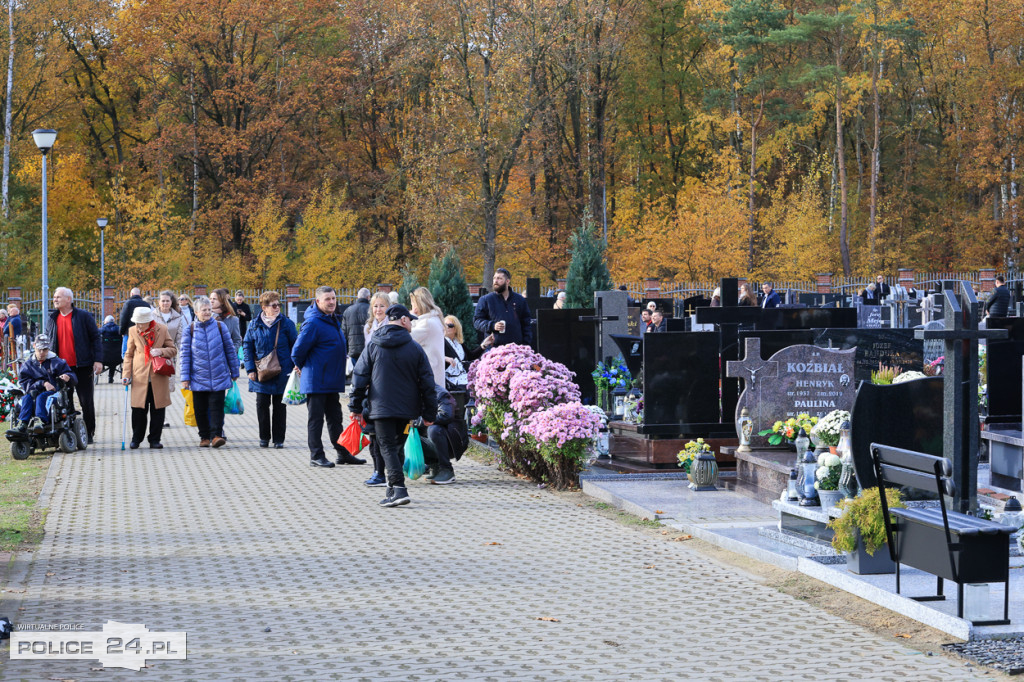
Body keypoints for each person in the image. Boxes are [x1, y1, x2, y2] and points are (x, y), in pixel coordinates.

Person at [349, 304, 438, 507]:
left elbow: (359, 376)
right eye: (410, 322)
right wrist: (429, 412)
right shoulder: (415, 348)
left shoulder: (373, 345)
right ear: (404, 321)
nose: (411, 326)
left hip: (380, 408)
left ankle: (398, 489)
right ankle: (393, 488)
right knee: (396, 447)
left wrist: (355, 406)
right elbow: (427, 382)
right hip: (407, 410)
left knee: (387, 447)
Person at [292, 285, 362, 467]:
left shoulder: (332, 319)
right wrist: (304, 367)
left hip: (331, 380)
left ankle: (343, 453)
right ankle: (316, 455)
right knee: (316, 419)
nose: (331, 302)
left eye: (333, 298)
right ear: (318, 302)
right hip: (316, 380)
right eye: (327, 299)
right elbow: (297, 351)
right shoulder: (313, 323)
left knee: (335, 418)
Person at [44, 287, 101, 443]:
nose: (55, 299)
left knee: (86, 401)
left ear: (68, 299)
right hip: (62, 368)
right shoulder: (52, 318)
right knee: (64, 401)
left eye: (58, 297)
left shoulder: (83, 316)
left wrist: (98, 360)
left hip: (82, 366)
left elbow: (96, 338)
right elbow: (48, 341)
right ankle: (69, 433)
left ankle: (88, 433)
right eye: (54, 297)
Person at [180, 296, 237, 448]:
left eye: (209, 310)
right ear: (196, 312)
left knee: (217, 407)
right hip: (198, 377)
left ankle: (216, 435)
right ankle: (204, 436)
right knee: (200, 409)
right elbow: (185, 355)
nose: (207, 312)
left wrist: (235, 370)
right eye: (203, 310)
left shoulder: (220, 326)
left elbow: (230, 349)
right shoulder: (190, 329)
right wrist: (185, 377)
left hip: (219, 375)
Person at [243, 291, 298, 448]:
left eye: (278, 305)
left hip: (282, 370)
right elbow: (247, 346)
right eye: (273, 305)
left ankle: (279, 440)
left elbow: (295, 345)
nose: (276, 308)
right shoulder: (254, 324)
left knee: (280, 406)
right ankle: (264, 437)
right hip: (261, 371)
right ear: (264, 307)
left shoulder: (286, 323)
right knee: (262, 404)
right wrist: (250, 369)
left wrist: (296, 364)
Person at [123, 307, 176, 449]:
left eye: (141, 322)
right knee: (138, 410)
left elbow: (173, 349)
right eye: (137, 322)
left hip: (158, 375)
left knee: (158, 410)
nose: (139, 325)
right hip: (140, 375)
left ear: (149, 321)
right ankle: (136, 439)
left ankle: (155, 439)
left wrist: (161, 351)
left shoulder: (162, 329)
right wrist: (126, 375)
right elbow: (129, 354)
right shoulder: (133, 331)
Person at [14, 335, 76, 433]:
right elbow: (25, 383)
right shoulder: (28, 364)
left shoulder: (57, 362)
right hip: (34, 391)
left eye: (45, 349)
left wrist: (68, 376)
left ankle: (40, 420)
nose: (42, 353)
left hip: (54, 392)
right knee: (26, 398)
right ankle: (22, 423)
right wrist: (42, 383)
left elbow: (72, 376)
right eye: (39, 349)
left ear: (48, 348)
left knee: (42, 397)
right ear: (34, 346)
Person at [473, 268, 533, 347]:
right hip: (493, 349)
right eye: (494, 278)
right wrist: (492, 325)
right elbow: (477, 321)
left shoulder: (520, 300)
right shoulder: (486, 300)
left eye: (499, 278)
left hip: (516, 348)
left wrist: (525, 344)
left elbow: (526, 323)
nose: (495, 281)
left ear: (507, 281)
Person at [421, 382, 468, 485]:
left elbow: (446, 415)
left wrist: (422, 420)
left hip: (454, 442)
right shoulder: (417, 394)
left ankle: (446, 469)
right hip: (439, 438)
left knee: (433, 429)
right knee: (405, 433)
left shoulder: (440, 394)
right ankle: (435, 466)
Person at [409, 286, 446, 388]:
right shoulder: (433, 319)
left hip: (428, 377)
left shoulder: (427, 323)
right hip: (433, 374)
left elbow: (406, 337)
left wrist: (408, 318)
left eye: (412, 304)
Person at [443, 316, 492, 389]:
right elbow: (433, 355)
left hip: (464, 376)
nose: (446, 327)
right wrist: (445, 358)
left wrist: (483, 345)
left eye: (450, 325)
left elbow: (471, 356)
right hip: (451, 379)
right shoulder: (441, 342)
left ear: (456, 329)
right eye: (444, 325)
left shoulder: (459, 343)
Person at [156, 291, 184, 393]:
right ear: (159, 302)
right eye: (163, 301)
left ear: (171, 302)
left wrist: (184, 355)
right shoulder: (152, 316)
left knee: (168, 386)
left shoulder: (177, 317)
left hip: (170, 354)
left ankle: (163, 407)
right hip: (155, 354)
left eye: (167, 301)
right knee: (156, 385)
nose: (165, 303)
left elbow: (180, 338)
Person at [342, 288, 371, 372]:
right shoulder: (372, 310)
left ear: (357, 297)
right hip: (368, 349)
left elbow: (344, 333)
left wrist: (346, 351)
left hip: (353, 349)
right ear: (368, 297)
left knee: (357, 373)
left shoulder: (348, 311)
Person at [211, 288, 243, 358]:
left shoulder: (232, 319)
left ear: (222, 301)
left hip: (224, 360)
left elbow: (237, 340)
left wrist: (230, 352)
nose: (211, 301)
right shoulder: (204, 316)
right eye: (210, 298)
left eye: (214, 299)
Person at [100, 315, 121, 383]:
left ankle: (101, 368)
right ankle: (110, 377)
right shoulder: (120, 329)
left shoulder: (102, 329)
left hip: (104, 357)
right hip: (118, 357)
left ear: (105, 322)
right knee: (113, 361)